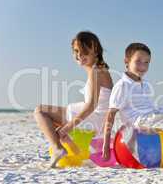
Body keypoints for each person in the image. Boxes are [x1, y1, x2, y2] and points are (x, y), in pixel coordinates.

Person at [34, 31, 113, 168]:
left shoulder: (97, 71)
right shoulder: (97, 70)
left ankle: (59, 148)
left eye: (84, 51)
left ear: (95, 50)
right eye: (76, 51)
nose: (79, 55)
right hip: (97, 117)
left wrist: (67, 127)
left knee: (40, 111)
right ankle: (71, 147)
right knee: (51, 123)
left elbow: (91, 106)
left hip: (95, 117)